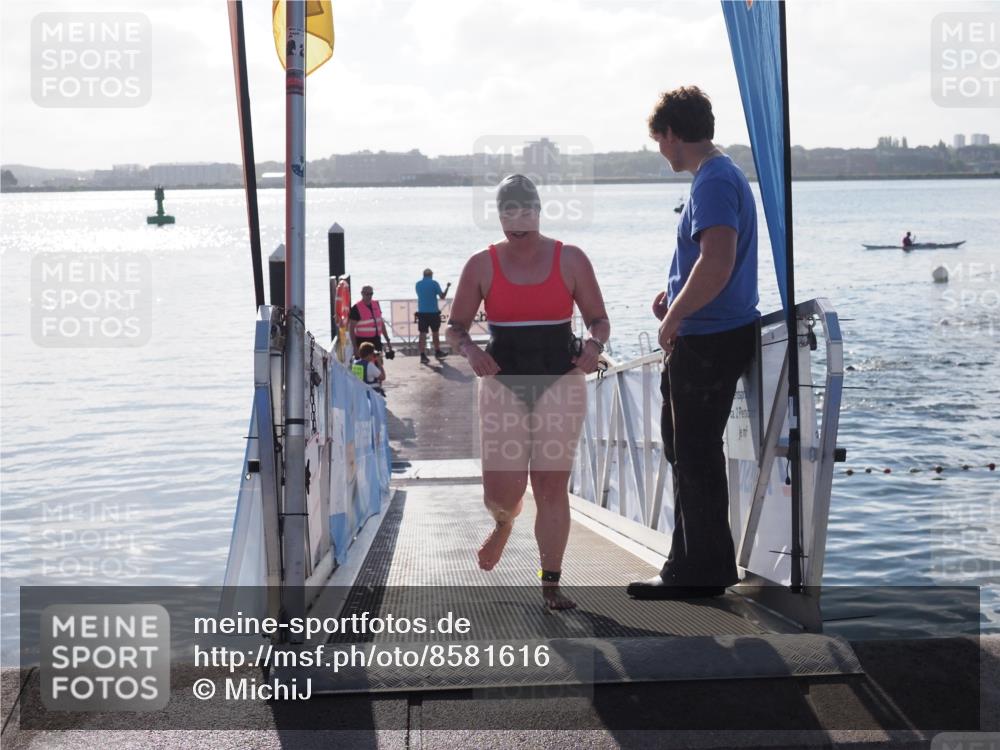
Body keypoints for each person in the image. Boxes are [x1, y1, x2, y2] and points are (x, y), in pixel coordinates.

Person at [447, 174, 610, 610]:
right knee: (501, 493)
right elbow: (454, 328)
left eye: (525, 209)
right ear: (498, 214)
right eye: (508, 210)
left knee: (550, 487)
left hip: (561, 379)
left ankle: (551, 584)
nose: (516, 218)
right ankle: (503, 523)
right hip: (502, 382)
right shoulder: (481, 264)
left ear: (539, 211)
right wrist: (469, 351)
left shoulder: (570, 258)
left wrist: (593, 346)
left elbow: (599, 319)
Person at [627, 86, 760, 600]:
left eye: (658, 139)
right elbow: (711, 261)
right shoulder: (721, 176)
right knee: (687, 449)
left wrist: (675, 316)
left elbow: (718, 260)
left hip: (708, 339)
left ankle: (697, 571)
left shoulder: (714, 180)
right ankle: (693, 563)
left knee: (695, 453)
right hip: (713, 330)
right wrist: (678, 295)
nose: (659, 149)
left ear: (673, 134)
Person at [348, 285, 394, 361]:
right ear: (362, 294)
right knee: (365, 368)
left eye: (371, 294)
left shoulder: (376, 304)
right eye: (367, 294)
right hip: (363, 343)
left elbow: (381, 324)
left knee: (379, 365)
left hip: (376, 341)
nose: (369, 296)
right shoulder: (356, 308)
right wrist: (355, 348)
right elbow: (351, 329)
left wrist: (388, 341)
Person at [415, 268, 451, 364]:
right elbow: (442, 296)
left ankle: (422, 355)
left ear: (423, 275)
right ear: (431, 275)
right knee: (435, 333)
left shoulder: (418, 284)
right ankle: (437, 352)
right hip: (433, 313)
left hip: (422, 312)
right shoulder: (434, 283)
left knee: (422, 334)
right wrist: (447, 287)